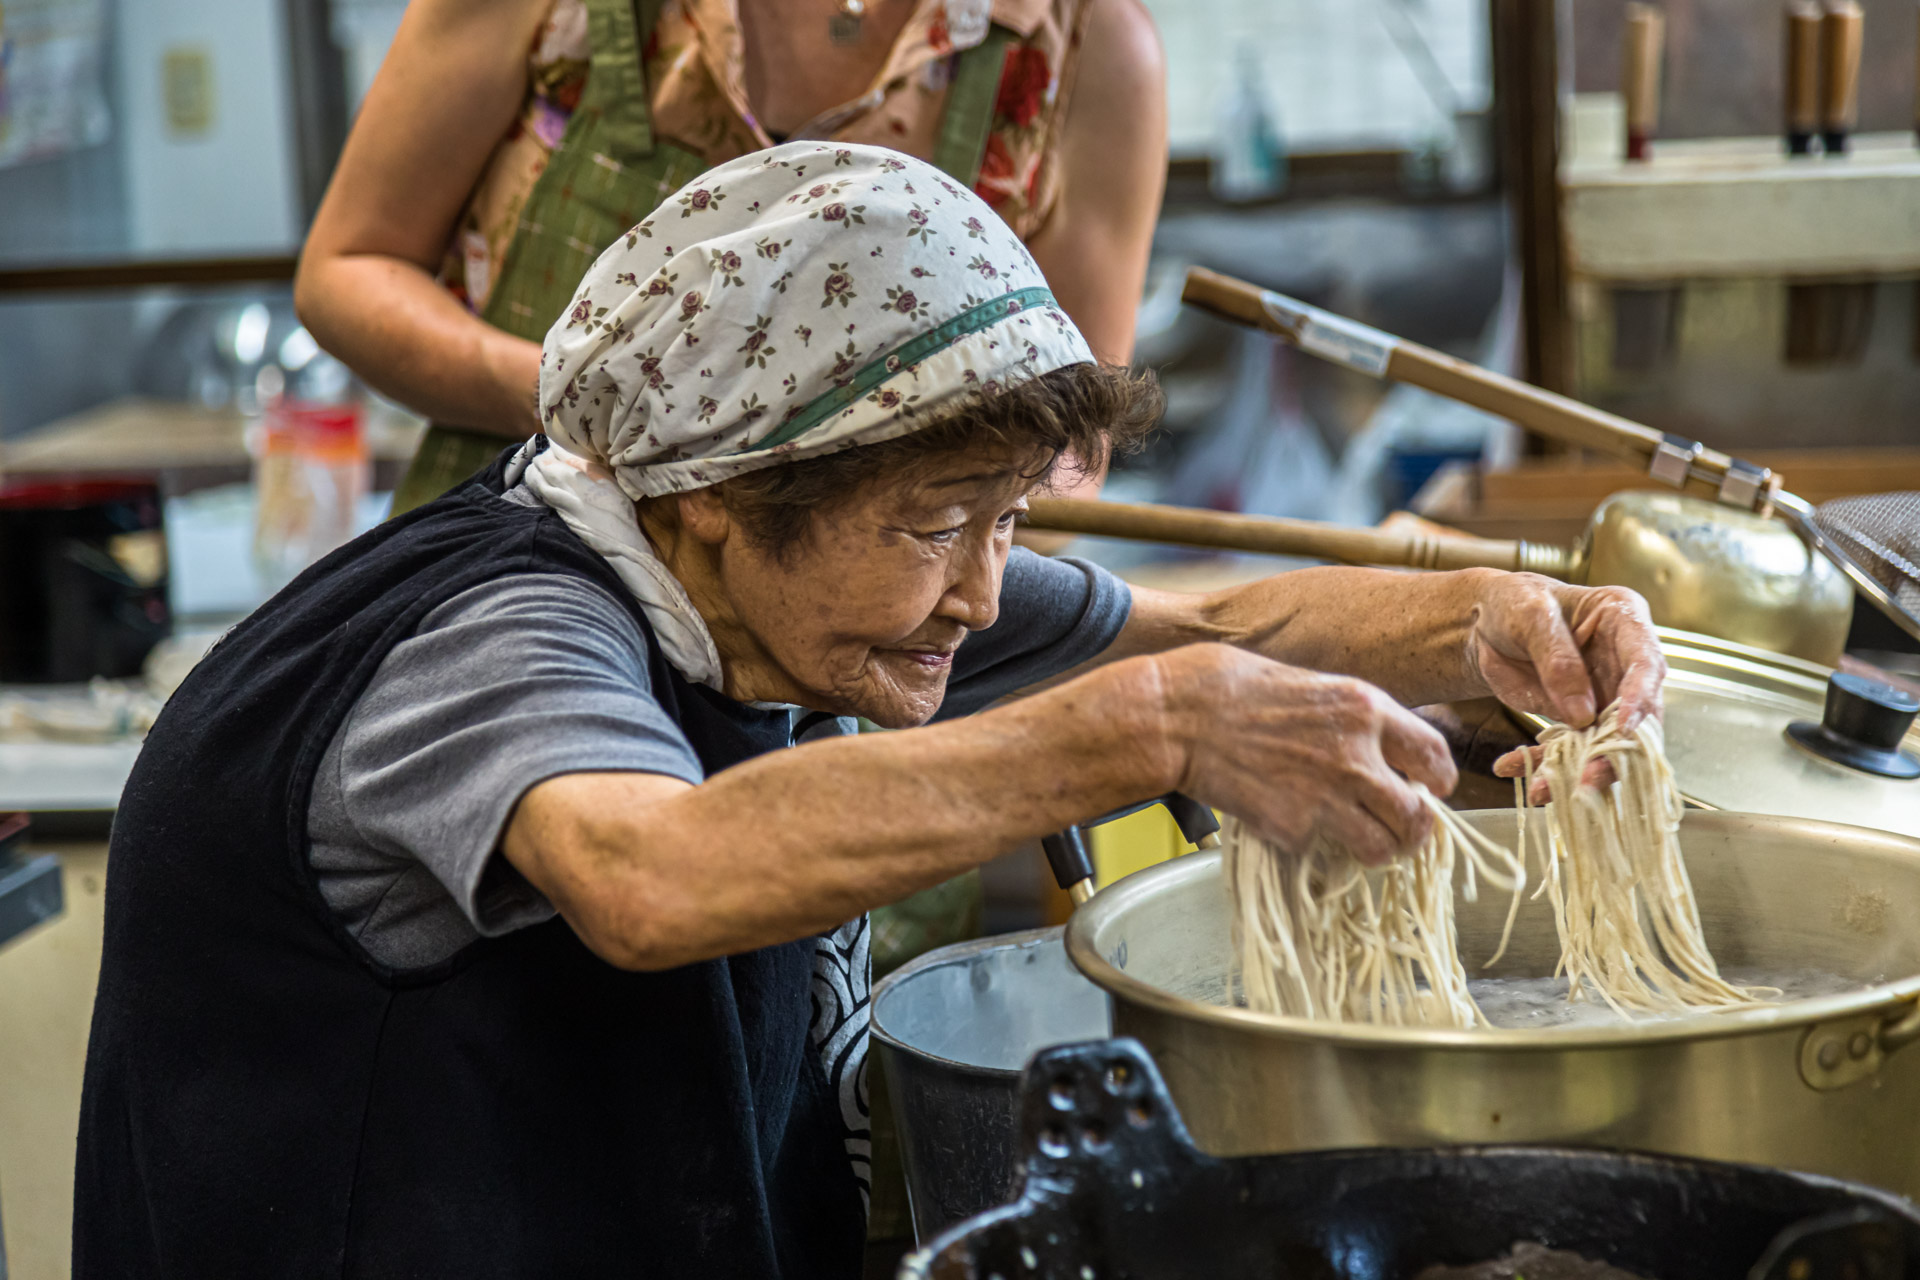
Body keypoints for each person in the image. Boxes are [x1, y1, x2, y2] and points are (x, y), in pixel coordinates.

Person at [77, 147, 1664, 1277]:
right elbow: (655, 873)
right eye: (936, 525)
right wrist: (1156, 730)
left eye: (1010, 521)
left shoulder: (813, 602)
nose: (981, 594)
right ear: (711, 499)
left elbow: (1224, 627)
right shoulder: (492, 640)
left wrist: (1491, 623)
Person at [293, 0, 1166, 513]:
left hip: (853, 666)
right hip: (513, 576)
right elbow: (351, 267)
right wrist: (589, 403)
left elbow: (1063, 452)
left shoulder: (1083, 46)